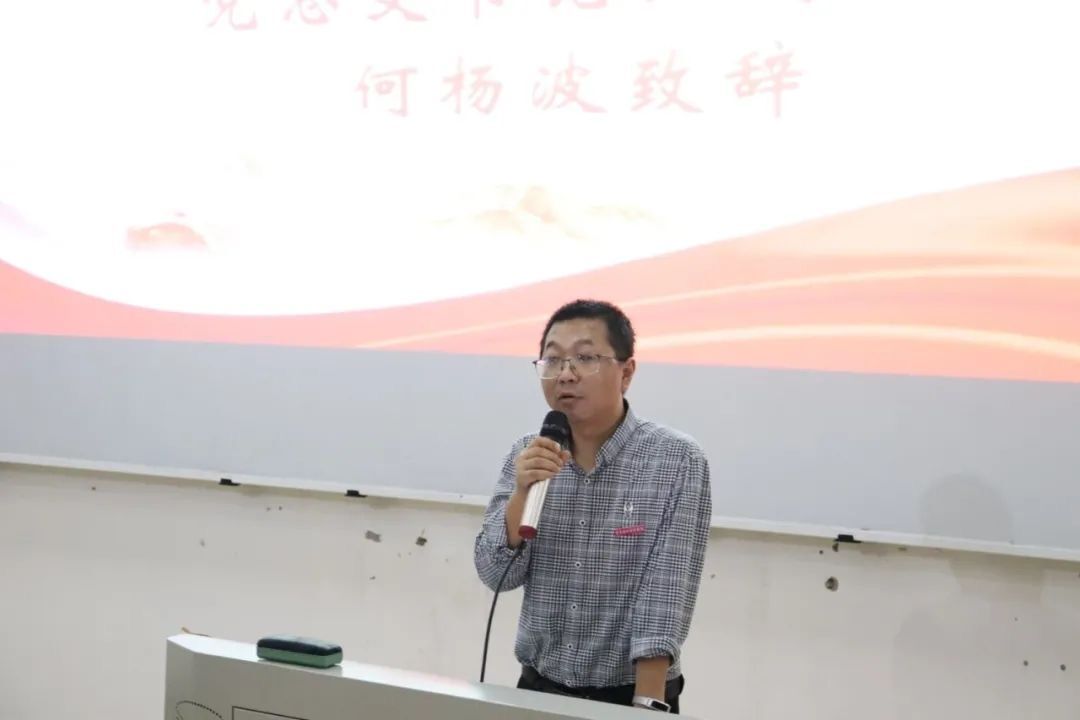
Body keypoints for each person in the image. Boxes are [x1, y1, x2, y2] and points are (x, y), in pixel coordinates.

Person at [473, 299, 712, 714]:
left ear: (626, 373)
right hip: (536, 690)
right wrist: (522, 493)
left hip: (630, 696)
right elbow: (494, 574)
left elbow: (664, 595)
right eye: (553, 360)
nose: (566, 374)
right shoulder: (527, 455)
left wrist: (646, 704)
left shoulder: (675, 459)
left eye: (585, 358)